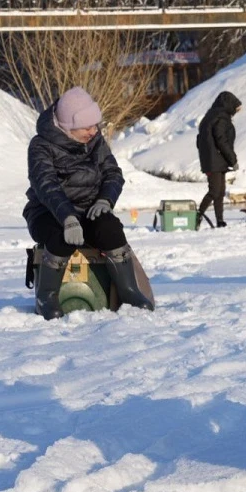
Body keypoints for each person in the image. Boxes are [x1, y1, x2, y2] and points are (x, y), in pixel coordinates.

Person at [24, 86, 155, 320]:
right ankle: (47, 295)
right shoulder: (40, 146)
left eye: (96, 126)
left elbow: (113, 173)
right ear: (68, 127)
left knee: (110, 228)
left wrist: (105, 200)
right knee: (62, 236)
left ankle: (129, 291)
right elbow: (45, 185)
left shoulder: (95, 141)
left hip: (89, 208)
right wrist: (68, 217)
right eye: (87, 127)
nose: (94, 131)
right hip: (48, 211)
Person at [196, 91, 241, 228]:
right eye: (235, 108)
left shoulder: (213, 116)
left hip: (215, 159)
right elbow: (222, 140)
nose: (235, 112)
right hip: (214, 160)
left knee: (220, 192)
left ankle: (220, 220)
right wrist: (233, 160)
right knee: (214, 191)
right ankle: (197, 216)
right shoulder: (220, 118)